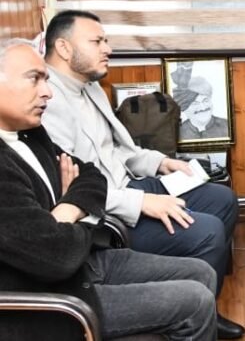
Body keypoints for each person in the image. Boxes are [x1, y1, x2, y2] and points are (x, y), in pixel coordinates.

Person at [40, 10, 245, 339]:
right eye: (97, 41)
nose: (107, 48)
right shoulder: (47, 103)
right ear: (64, 48)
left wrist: (160, 162)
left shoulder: (89, 86)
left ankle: (207, 307)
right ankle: (192, 310)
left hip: (131, 183)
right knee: (208, 231)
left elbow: (118, 149)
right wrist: (143, 202)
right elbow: (75, 189)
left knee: (223, 199)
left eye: (106, 40)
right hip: (110, 214)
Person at [0, 39, 217, 340]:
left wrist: (66, 208)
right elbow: (56, 257)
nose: (47, 92)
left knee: (202, 273)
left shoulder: (31, 133)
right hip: (50, 300)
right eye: (34, 79)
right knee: (196, 300)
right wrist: (77, 210)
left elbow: (91, 176)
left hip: (84, 262)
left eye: (46, 79)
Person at [174, 76, 230, 140]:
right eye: (195, 103)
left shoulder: (227, 126)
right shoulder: (177, 132)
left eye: (205, 100)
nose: (202, 108)